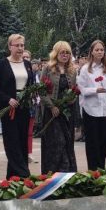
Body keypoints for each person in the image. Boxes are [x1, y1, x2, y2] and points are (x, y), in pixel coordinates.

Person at [0, 33, 34, 178]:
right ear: (10, 47)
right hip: (9, 108)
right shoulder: (2, 64)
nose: (20, 48)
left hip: (24, 107)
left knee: (22, 141)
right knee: (12, 142)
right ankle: (24, 174)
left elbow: (31, 85)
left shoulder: (27, 64)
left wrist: (31, 95)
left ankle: (13, 176)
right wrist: (7, 99)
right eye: (17, 45)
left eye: (22, 45)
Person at [77, 39, 106, 170]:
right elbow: (81, 89)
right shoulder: (85, 69)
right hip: (91, 110)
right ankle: (93, 169)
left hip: (105, 109)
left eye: (101, 50)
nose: (99, 52)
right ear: (92, 52)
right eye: (97, 50)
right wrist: (95, 90)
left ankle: (101, 166)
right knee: (92, 141)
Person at [39, 41, 78, 173]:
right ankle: (52, 172)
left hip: (66, 112)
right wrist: (51, 106)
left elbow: (74, 90)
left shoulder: (72, 70)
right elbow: (41, 90)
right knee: (56, 142)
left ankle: (67, 172)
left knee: (67, 142)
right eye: (62, 52)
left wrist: (71, 100)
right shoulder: (48, 68)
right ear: (56, 53)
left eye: (67, 52)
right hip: (52, 112)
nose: (65, 55)